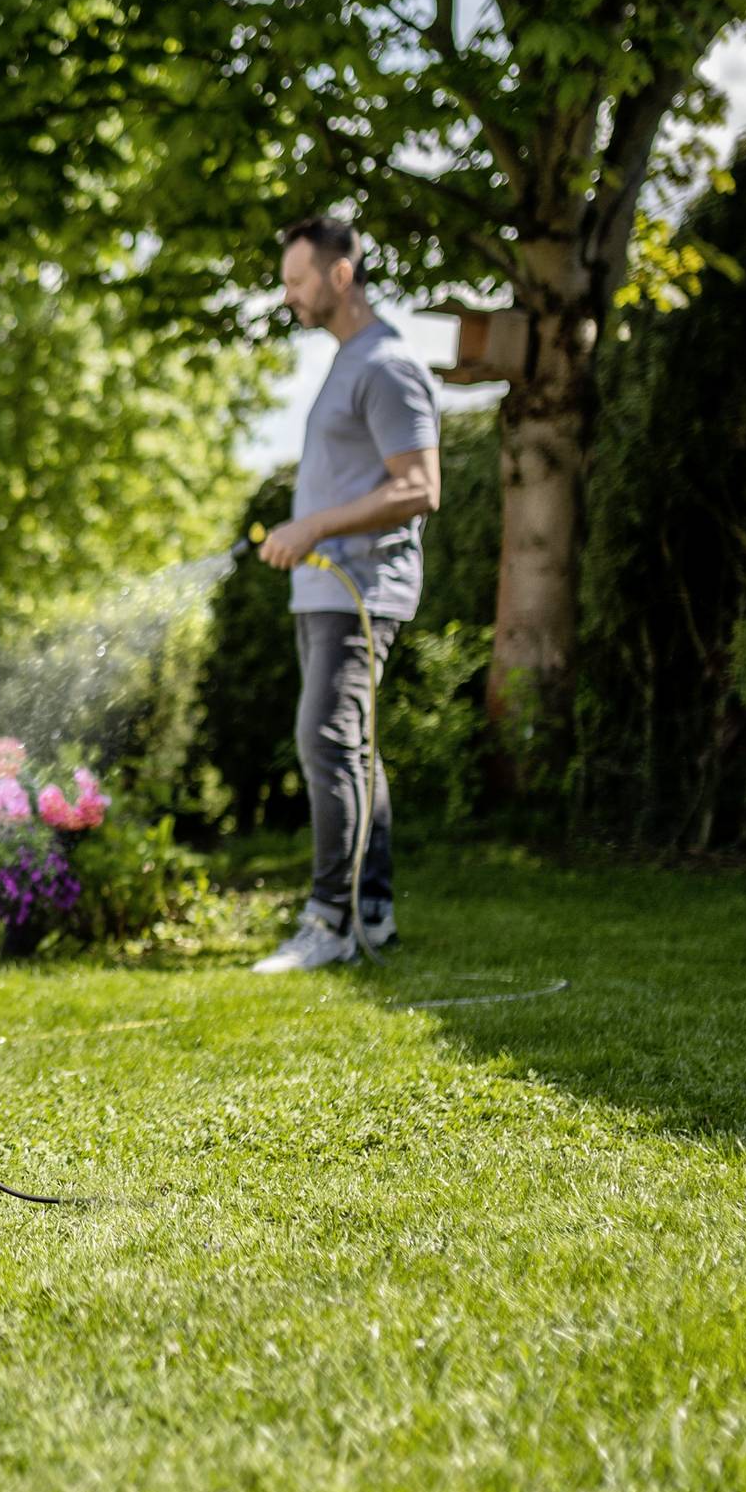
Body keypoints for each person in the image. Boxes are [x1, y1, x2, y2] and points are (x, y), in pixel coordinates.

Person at [251, 216, 441, 973]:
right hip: (327, 590)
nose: (288, 295)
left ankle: (329, 923)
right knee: (352, 749)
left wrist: (316, 525)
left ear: (339, 275)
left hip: (359, 589)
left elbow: (421, 486)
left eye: (297, 280)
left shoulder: (386, 364)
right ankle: (372, 911)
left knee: (325, 742)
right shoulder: (348, 360)